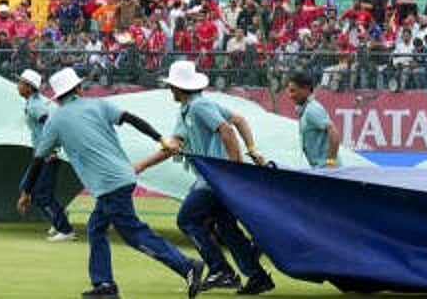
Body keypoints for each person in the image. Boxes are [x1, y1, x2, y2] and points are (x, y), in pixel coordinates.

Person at [19, 68, 205, 299]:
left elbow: (38, 160)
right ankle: (104, 285)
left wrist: (26, 191)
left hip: (108, 185)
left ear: (57, 97)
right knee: (96, 228)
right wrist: (160, 138)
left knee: (134, 233)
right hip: (122, 177)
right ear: (78, 89)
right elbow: (132, 119)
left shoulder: (55, 120)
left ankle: (186, 265)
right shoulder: (98, 105)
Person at [134, 61, 275, 295]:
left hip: (214, 178)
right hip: (214, 178)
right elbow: (238, 120)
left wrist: (236, 167)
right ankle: (258, 277)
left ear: (179, 88)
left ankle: (221, 270)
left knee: (187, 219)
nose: (169, 90)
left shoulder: (199, 107)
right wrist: (250, 149)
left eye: (171, 86)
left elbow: (228, 130)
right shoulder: (190, 108)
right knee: (228, 229)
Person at [16, 69, 75, 241]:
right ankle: (58, 215)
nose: (17, 86)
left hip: (47, 155)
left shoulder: (36, 106)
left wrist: (54, 150)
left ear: (29, 87)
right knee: (28, 188)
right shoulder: (32, 103)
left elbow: (51, 126)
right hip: (42, 154)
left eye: (21, 83)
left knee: (40, 194)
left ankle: (65, 229)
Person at [286, 71, 340, 168]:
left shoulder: (312, 109)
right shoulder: (305, 109)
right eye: (289, 91)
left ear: (306, 90)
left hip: (326, 170)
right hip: (319, 169)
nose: (290, 95)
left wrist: (331, 163)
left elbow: (334, 133)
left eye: (293, 91)